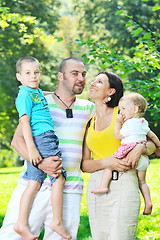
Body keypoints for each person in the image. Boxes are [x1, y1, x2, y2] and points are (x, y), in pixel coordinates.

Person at [0, 57, 100, 240]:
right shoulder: (39, 101)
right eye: (75, 73)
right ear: (60, 76)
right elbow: (17, 141)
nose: (81, 78)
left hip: (69, 189)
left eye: (84, 74)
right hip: (35, 184)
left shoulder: (89, 109)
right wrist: (41, 164)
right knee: (11, 237)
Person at [81, 71, 156, 240]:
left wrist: (141, 149)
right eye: (93, 80)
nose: (92, 83)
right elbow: (85, 165)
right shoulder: (89, 122)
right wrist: (108, 162)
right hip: (97, 185)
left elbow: (150, 142)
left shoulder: (122, 114)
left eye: (99, 82)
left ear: (111, 92)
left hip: (124, 181)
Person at [13, 56, 71, 240]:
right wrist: (31, 149)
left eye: (36, 72)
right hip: (42, 139)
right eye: (28, 73)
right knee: (59, 177)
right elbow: (24, 124)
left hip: (43, 139)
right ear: (19, 77)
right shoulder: (24, 95)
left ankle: (21, 223)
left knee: (34, 183)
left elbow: (45, 93)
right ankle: (57, 221)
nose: (33, 76)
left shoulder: (34, 91)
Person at [91, 92, 160, 216]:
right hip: (143, 159)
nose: (120, 112)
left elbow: (118, 135)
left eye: (123, 109)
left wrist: (118, 123)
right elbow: (152, 136)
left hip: (128, 152)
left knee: (109, 165)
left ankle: (103, 186)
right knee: (143, 182)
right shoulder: (143, 122)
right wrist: (158, 146)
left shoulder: (129, 124)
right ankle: (148, 201)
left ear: (135, 109)